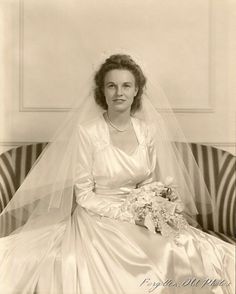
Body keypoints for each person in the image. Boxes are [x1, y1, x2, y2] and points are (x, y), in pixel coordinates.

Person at [0, 54, 234, 294]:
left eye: (126, 86)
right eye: (111, 86)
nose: (118, 93)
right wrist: (126, 214)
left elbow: (148, 180)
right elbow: (83, 195)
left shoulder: (147, 131)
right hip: (97, 217)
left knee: (180, 248)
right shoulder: (88, 132)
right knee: (130, 265)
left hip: (139, 212)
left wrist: (154, 202)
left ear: (136, 91)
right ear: (103, 91)